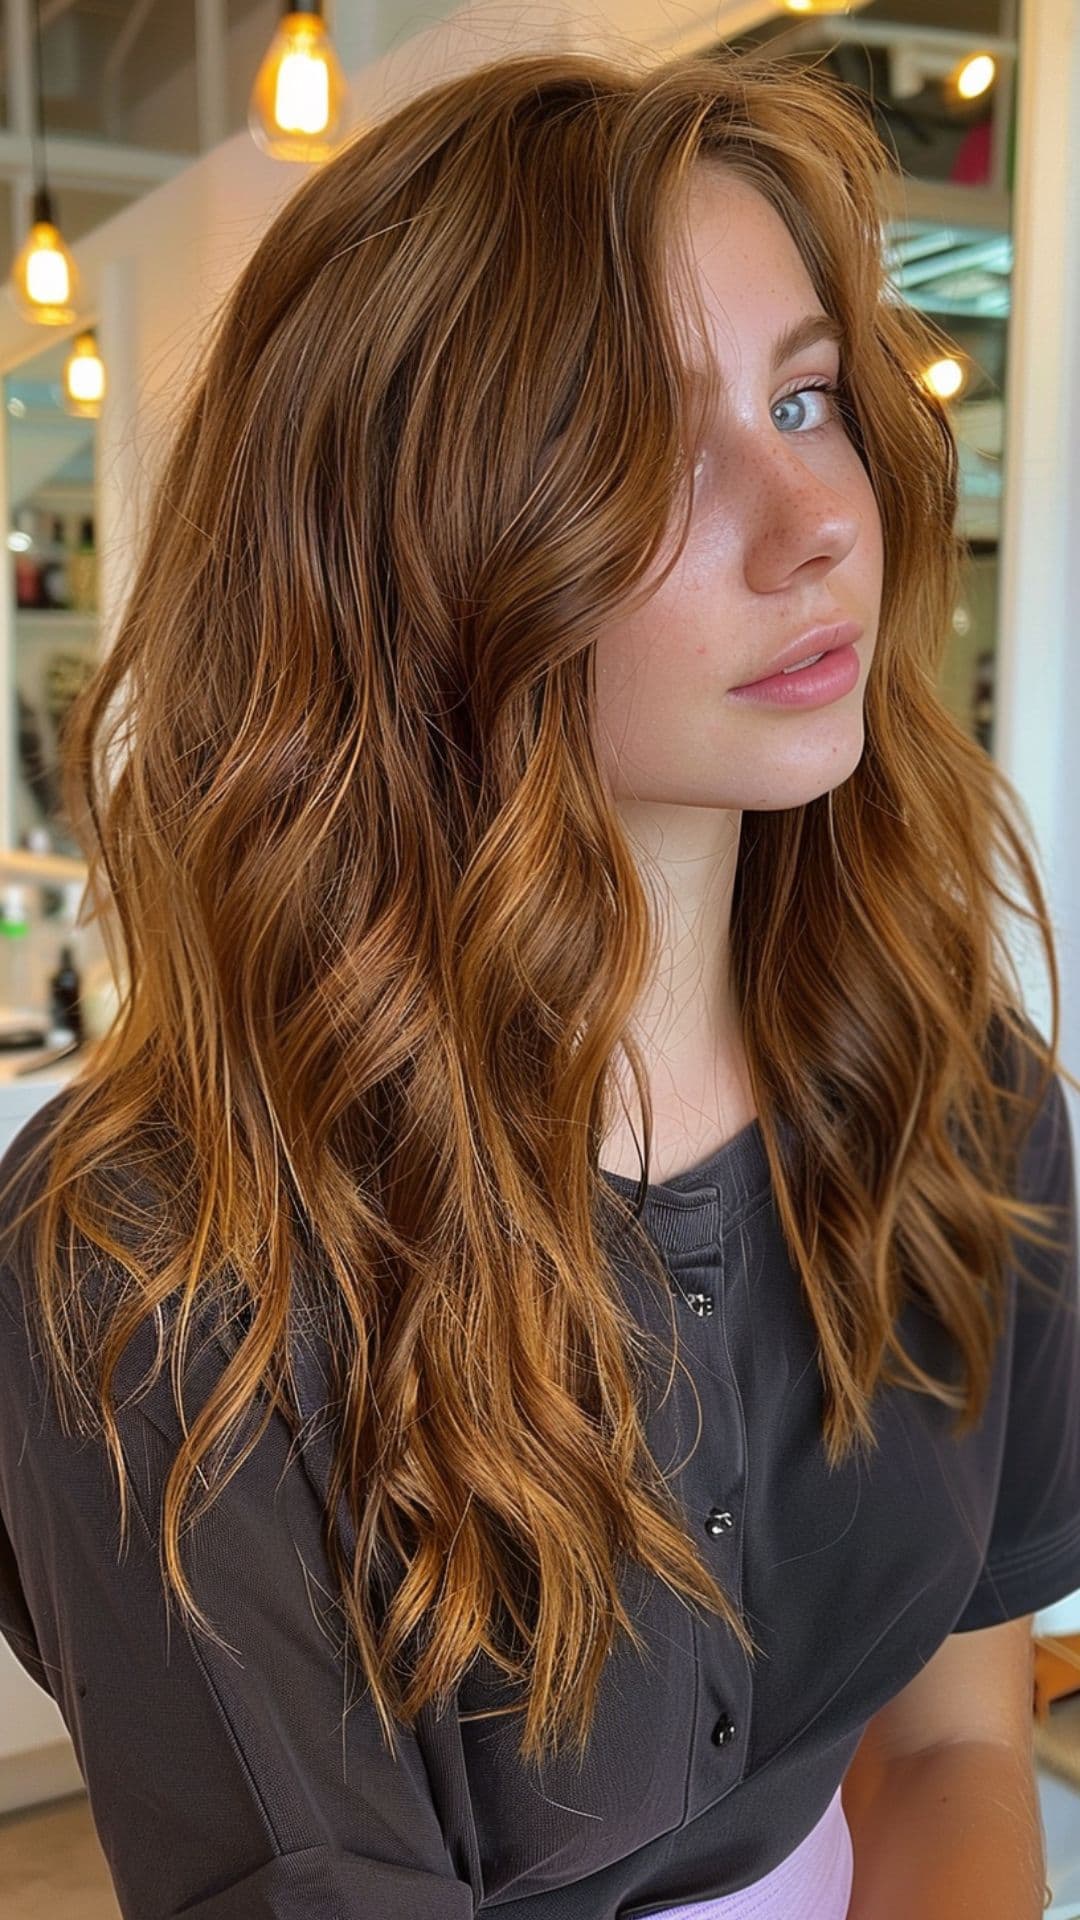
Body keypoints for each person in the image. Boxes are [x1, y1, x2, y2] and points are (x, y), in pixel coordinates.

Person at [0, 42, 1077, 1920]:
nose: (817, 515)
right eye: (648, 449)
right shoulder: (162, 1281)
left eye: (807, 397)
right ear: (403, 556)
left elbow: (959, 1745)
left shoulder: (951, 1091)